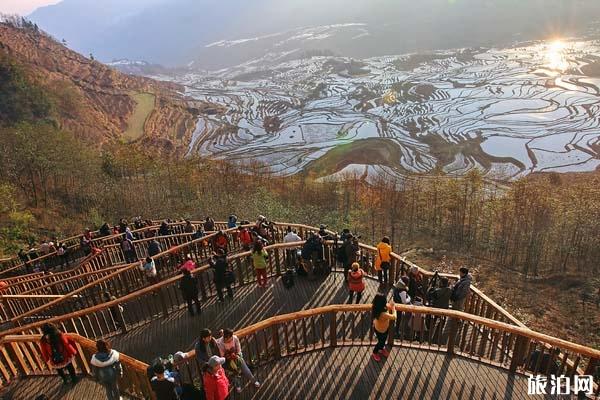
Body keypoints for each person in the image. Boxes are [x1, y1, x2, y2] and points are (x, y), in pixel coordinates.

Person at [371, 294, 396, 362]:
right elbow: (394, 317)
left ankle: (381, 349)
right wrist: (393, 307)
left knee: (383, 340)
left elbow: (387, 306)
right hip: (381, 330)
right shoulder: (383, 314)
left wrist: (390, 304)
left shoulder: (376, 308)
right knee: (380, 342)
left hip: (380, 328)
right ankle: (375, 352)